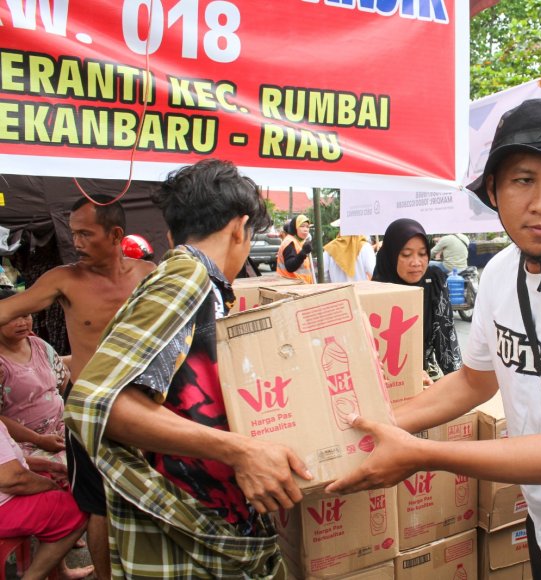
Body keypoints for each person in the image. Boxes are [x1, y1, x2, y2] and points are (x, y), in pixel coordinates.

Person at [328, 99, 541, 579]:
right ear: (494, 189)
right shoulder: (500, 274)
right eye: (523, 180)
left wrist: (421, 454)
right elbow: (474, 381)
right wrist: (374, 426)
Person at [65, 159, 312, 578]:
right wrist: (241, 450)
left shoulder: (200, 284)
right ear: (239, 227)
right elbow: (96, 401)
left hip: (210, 533)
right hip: (183, 546)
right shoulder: (186, 278)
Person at [0, 194, 155, 580]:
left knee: (150, 496)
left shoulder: (150, 275)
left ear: (116, 234)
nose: (77, 243)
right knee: (96, 505)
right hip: (89, 416)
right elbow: (7, 310)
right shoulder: (63, 279)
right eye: (74, 234)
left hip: (149, 411)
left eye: (86, 234)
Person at [0, 420, 93, 580]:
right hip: (5, 504)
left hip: (7, 493)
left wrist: (48, 467)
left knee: (63, 485)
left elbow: (9, 461)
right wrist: (49, 486)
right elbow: (12, 479)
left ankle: (60, 572)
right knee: (79, 507)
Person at [372, 219, 461, 381]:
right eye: (406, 254)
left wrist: (459, 386)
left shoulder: (434, 281)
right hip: (384, 383)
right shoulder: (373, 293)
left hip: (425, 379)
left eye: (422, 254)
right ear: (391, 255)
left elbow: (446, 339)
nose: (416, 263)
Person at [0, 289, 67, 468]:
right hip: (24, 444)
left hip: (62, 430)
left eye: (26, 315)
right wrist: (38, 439)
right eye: (13, 317)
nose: (22, 323)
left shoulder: (40, 346)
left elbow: (63, 384)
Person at [277, 214, 315, 283]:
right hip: (291, 286)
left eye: (307, 227)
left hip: (301, 286)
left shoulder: (299, 242)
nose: (305, 229)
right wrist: (303, 253)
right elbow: (290, 266)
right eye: (302, 226)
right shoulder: (290, 242)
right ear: (295, 228)